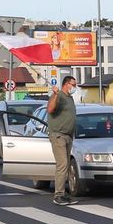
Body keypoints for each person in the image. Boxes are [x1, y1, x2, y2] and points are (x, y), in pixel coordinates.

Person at [45, 75, 78, 206]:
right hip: (58, 135)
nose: (75, 87)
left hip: (68, 136)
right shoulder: (58, 96)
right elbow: (50, 109)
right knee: (62, 164)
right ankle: (58, 195)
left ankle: (64, 193)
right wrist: (54, 94)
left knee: (66, 165)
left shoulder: (70, 98)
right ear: (66, 84)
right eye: (73, 84)